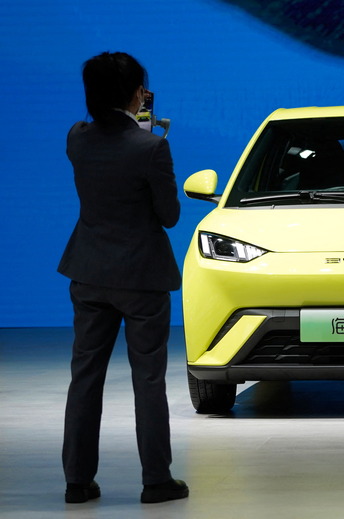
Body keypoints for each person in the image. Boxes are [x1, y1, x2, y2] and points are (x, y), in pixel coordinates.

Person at [58, 52, 189, 504]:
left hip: (88, 271)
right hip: (142, 277)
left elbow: (101, 139)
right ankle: (156, 479)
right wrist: (149, 138)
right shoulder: (151, 147)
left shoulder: (77, 138)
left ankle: (77, 481)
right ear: (137, 93)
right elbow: (169, 216)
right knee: (148, 379)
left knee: (85, 377)